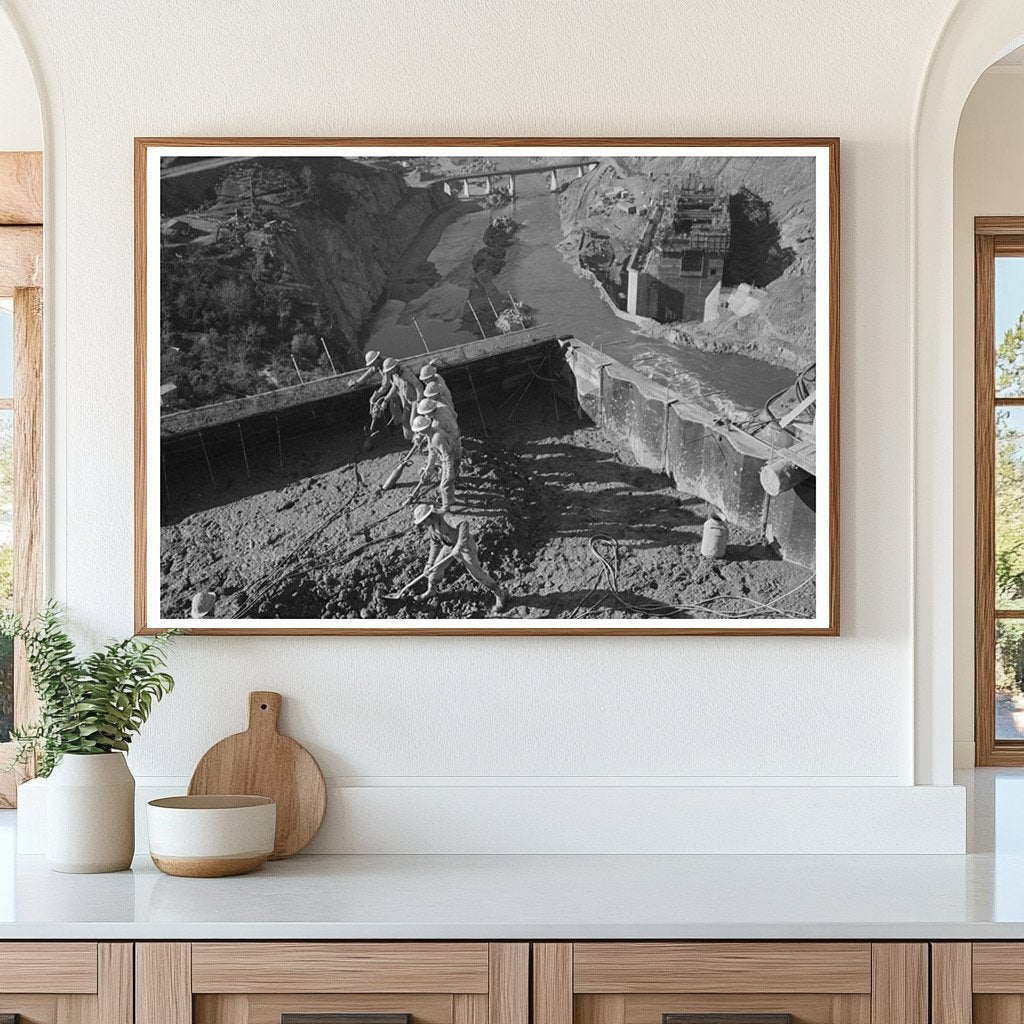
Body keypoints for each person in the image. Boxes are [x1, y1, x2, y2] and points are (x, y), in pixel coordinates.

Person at [411, 503, 507, 612]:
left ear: (429, 516)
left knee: (477, 575)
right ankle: (431, 590)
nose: (423, 524)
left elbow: (464, 523)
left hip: (465, 545)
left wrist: (459, 545)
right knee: (434, 570)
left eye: (423, 521)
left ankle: (500, 593)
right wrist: (429, 564)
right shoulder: (432, 526)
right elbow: (435, 544)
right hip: (450, 546)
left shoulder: (444, 517)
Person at [413, 413, 460, 511]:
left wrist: (449, 471)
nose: (419, 433)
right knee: (447, 483)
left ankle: (446, 507)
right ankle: (451, 499)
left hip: (451, 460)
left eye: (419, 431)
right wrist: (428, 468)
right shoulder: (431, 435)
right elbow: (432, 453)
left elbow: (448, 456)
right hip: (446, 459)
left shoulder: (437, 438)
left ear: (424, 429)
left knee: (443, 485)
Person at [376, 357, 423, 440]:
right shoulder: (395, 376)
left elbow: (418, 386)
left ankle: (421, 439)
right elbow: (394, 388)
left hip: (415, 401)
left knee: (413, 422)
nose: (389, 373)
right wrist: (386, 400)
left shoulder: (407, 374)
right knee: (405, 422)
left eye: (390, 370)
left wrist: (419, 401)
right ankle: (411, 439)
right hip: (407, 402)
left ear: (395, 367)